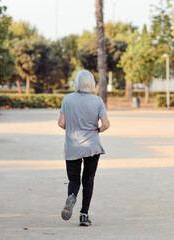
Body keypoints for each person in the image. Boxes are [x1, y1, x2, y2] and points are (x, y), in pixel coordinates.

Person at [58, 70, 110, 227]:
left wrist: (73, 128)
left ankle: (72, 195)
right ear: (91, 83)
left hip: (72, 146)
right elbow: (106, 124)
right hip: (91, 147)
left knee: (73, 179)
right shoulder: (97, 101)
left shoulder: (67, 99)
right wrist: (97, 131)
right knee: (88, 180)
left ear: (77, 82)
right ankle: (83, 215)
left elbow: (61, 123)